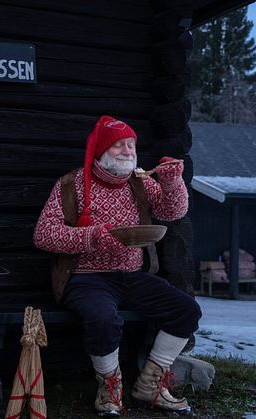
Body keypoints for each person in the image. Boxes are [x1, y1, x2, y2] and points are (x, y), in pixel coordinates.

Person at [33, 115, 201, 416]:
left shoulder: (139, 182)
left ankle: (150, 383)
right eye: (119, 146)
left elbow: (171, 212)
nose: (128, 151)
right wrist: (94, 236)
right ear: (100, 152)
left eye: (131, 145)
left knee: (186, 309)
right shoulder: (71, 185)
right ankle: (109, 388)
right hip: (85, 278)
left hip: (132, 276)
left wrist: (172, 181)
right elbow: (44, 235)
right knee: (103, 319)